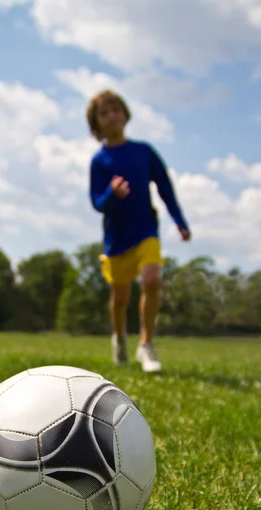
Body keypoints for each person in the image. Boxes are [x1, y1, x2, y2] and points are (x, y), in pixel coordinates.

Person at [87, 90, 191, 372]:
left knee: (152, 280)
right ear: (96, 123)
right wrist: (111, 193)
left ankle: (146, 344)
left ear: (125, 114)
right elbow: (96, 202)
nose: (111, 116)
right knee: (120, 298)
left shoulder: (143, 152)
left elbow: (165, 188)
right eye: (104, 113)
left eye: (115, 110)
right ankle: (119, 338)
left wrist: (179, 220)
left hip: (146, 230)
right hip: (116, 239)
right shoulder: (100, 161)